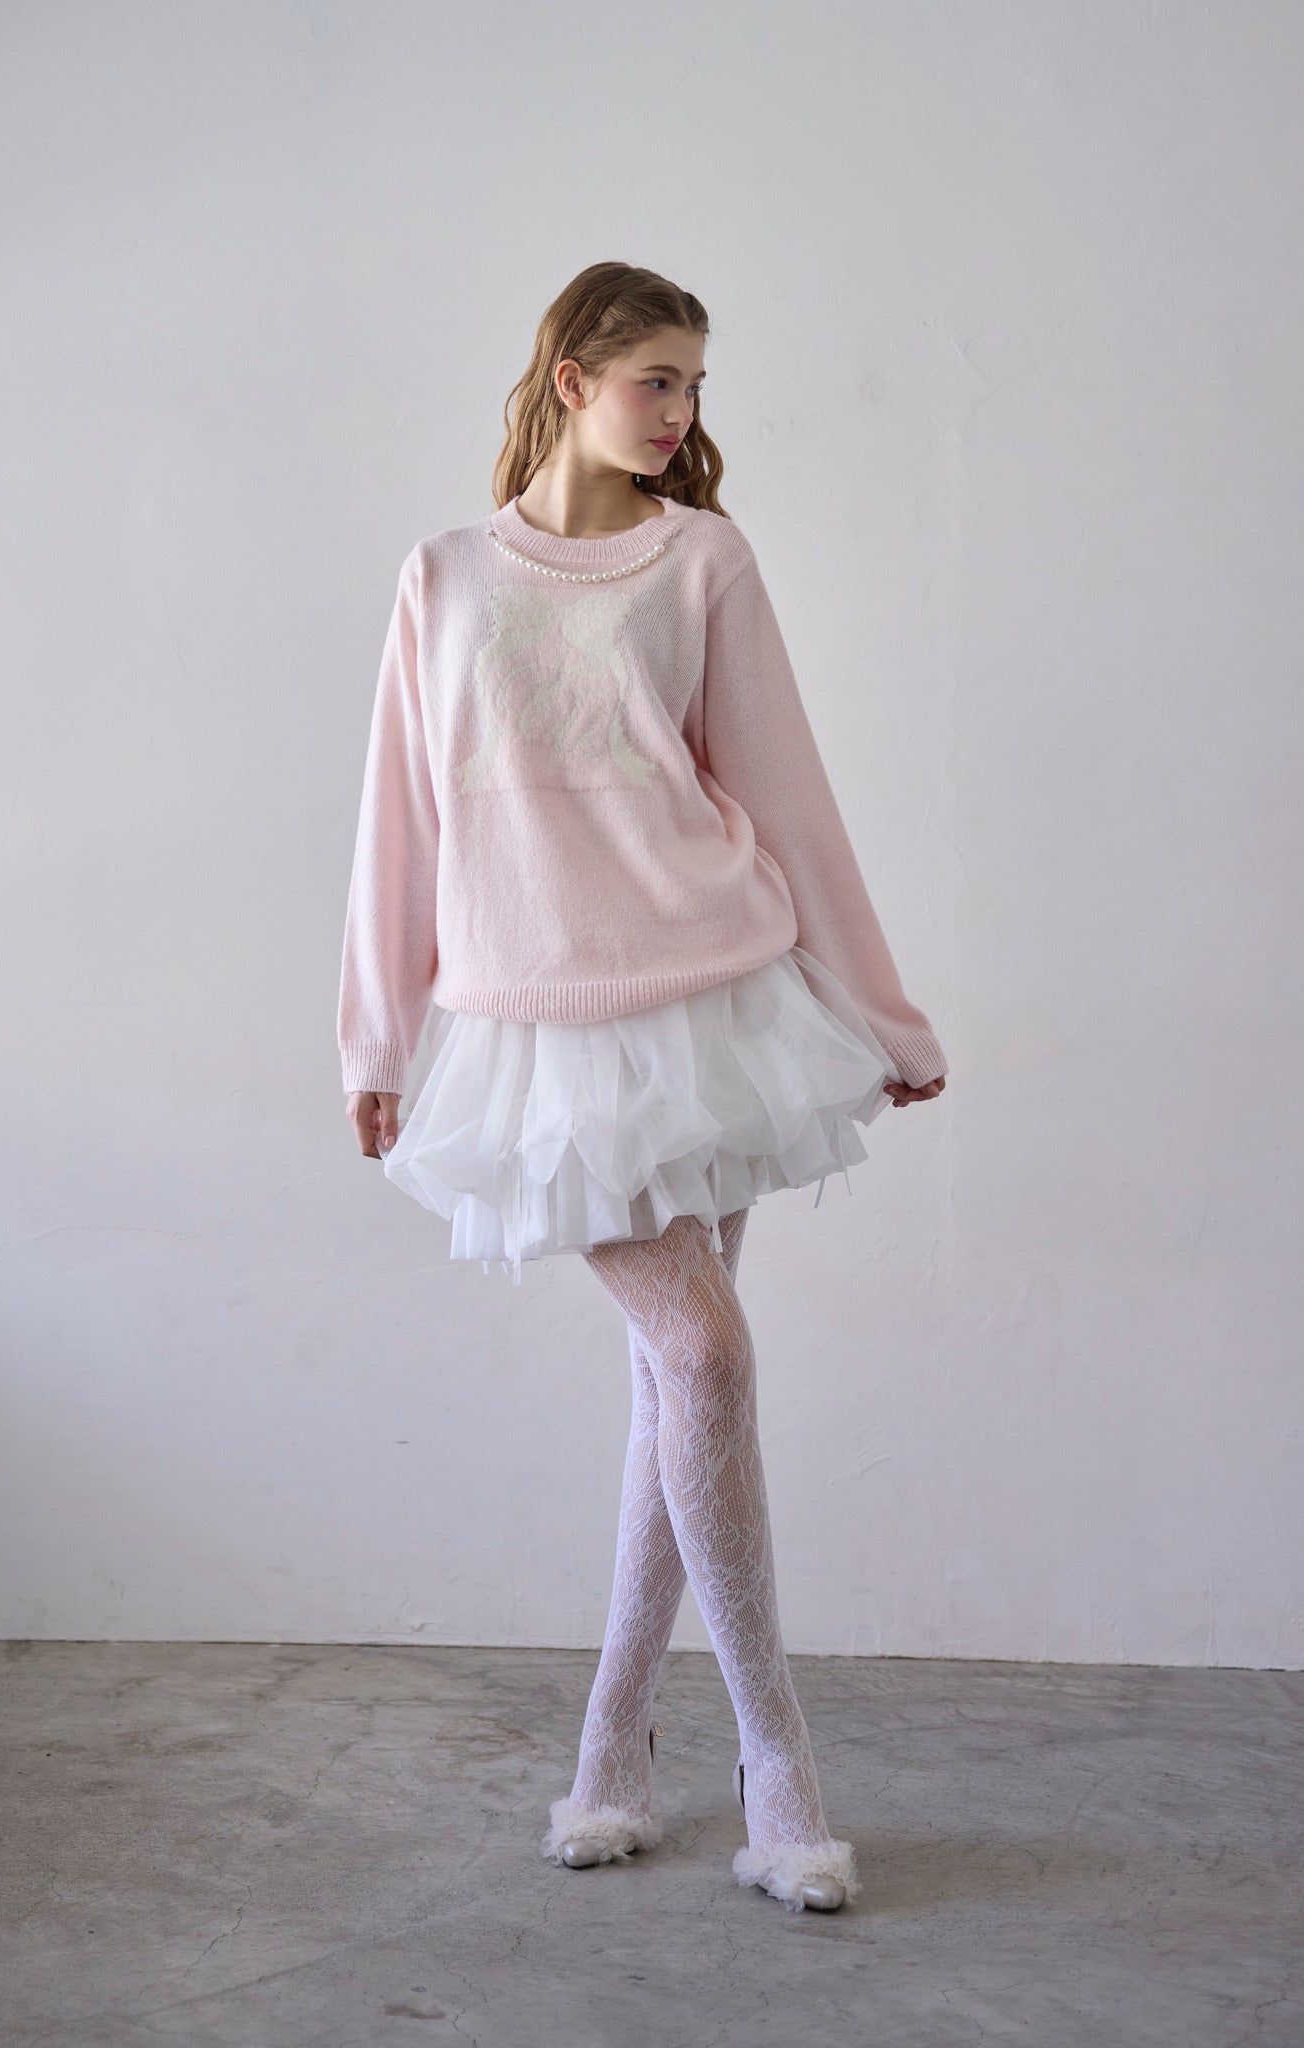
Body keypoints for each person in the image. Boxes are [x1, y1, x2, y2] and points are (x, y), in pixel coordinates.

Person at [336, 261, 948, 1913]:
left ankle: (618, 1746)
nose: (681, 413)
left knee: (679, 1388)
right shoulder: (444, 575)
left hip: (718, 1002)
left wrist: (884, 1016)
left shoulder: (704, 561)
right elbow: (401, 822)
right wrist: (376, 1039)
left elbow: (790, 799)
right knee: (704, 1359)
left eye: (694, 384)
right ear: (569, 377)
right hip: (538, 1036)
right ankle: (773, 1756)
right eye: (654, 379)